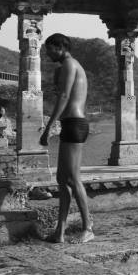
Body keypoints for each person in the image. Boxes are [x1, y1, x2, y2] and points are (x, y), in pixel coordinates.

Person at [39, 33, 94, 244]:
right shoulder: (65, 68)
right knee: (62, 180)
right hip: (71, 124)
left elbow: (63, 96)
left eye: (50, 50)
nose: (48, 54)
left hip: (75, 125)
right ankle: (59, 232)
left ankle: (88, 227)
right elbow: (60, 92)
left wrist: (48, 128)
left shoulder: (71, 64)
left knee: (72, 178)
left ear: (60, 47)